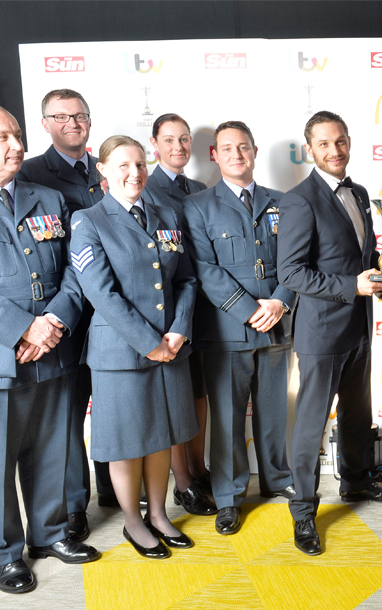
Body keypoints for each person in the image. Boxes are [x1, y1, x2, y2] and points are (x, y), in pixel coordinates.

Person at [0, 104, 100, 593]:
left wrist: (53, 322)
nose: (16, 146)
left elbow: (77, 270)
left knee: (54, 448)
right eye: (1, 138)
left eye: (16, 135)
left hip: (54, 348)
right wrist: (22, 330)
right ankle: (6, 555)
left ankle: (50, 533)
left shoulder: (49, 199)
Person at [278, 111, 382, 556]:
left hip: (359, 327)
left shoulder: (362, 192)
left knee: (357, 412)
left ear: (349, 142)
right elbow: (291, 272)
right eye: (325, 144)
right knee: (311, 426)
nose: (335, 151)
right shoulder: (298, 200)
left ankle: (355, 483)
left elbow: (366, 255)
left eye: (341, 142)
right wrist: (350, 287)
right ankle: (303, 513)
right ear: (309, 150)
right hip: (320, 332)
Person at [70, 135, 198, 559]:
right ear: (102, 170)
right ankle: (133, 521)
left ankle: (160, 514)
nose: (135, 173)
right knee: (129, 442)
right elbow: (101, 293)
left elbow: (185, 279)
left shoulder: (167, 213)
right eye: (123, 165)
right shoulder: (88, 221)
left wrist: (178, 331)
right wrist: (149, 343)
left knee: (162, 437)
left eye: (141, 164)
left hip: (171, 348)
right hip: (122, 353)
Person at [182, 120, 296, 535]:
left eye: (243, 147)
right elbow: (205, 269)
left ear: (254, 151)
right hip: (228, 328)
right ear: (214, 154)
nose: (236, 155)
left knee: (273, 413)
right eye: (227, 148)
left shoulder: (283, 201)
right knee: (227, 417)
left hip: (277, 324)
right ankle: (229, 496)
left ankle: (278, 480)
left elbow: (295, 259)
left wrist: (281, 301)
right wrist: (249, 310)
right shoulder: (197, 206)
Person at [16, 88, 112, 538]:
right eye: (62, 116)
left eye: (80, 115)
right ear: (46, 124)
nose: (73, 123)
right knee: (71, 416)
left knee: (114, 404)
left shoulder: (107, 168)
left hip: (114, 312)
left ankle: (115, 487)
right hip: (69, 314)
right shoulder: (32, 174)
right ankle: (76, 505)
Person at [144, 113, 216, 517]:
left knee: (200, 394)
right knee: (176, 399)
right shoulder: (147, 189)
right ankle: (182, 482)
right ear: (154, 144)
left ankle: (199, 468)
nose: (178, 146)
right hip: (169, 311)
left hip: (203, 306)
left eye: (184, 139)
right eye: (168, 139)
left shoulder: (200, 188)